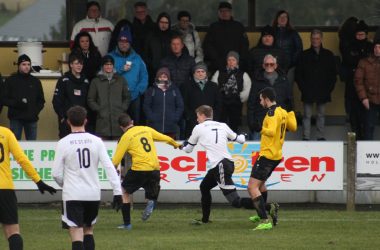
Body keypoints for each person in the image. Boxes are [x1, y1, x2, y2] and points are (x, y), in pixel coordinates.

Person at [52, 106, 122, 250]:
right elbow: (109, 167)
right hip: (92, 194)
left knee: (76, 232)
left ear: (68, 122)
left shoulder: (63, 143)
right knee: (88, 230)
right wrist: (117, 192)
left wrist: (66, 185)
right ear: (85, 121)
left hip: (73, 194)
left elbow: (56, 174)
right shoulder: (96, 141)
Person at [181, 105, 253, 225]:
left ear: (203, 115)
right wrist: (243, 135)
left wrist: (183, 145)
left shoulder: (198, 128)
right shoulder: (222, 125)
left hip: (220, 165)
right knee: (204, 187)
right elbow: (240, 140)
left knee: (235, 201)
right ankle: (205, 220)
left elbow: (188, 149)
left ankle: (267, 207)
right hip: (226, 163)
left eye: (197, 116)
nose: (197, 119)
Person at [112, 113, 180, 230]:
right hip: (155, 168)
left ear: (121, 127)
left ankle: (127, 224)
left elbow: (117, 159)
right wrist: (176, 145)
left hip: (140, 169)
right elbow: (165, 138)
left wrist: (113, 170)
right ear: (132, 121)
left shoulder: (126, 137)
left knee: (124, 192)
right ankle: (151, 201)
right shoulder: (146, 129)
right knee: (150, 191)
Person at [247, 87, 297, 231]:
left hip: (267, 155)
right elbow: (293, 127)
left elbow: (272, 131)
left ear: (267, 99)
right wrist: (291, 113)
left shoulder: (272, 113)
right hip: (276, 155)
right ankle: (265, 211)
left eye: (261, 99)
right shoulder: (282, 111)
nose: (260, 101)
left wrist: (259, 128)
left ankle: (264, 220)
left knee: (252, 187)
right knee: (261, 185)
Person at [0, 125, 56, 250]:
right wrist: (38, 180)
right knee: (13, 232)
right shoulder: (6, 133)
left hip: (5, 189)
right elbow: (21, 158)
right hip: (5, 189)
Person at [295, 30, 337, 141]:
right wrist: (303, 89)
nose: (315, 41)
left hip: (323, 91)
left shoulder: (328, 55)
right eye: (313, 38)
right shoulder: (303, 55)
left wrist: (328, 90)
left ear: (321, 39)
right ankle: (306, 137)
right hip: (307, 90)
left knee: (321, 115)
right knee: (307, 115)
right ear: (310, 39)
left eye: (317, 38)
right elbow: (298, 75)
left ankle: (320, 137)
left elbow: (333, 75)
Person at [340, 20, 372, 140]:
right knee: (353, 118)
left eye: (362, 35)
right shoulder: (349, 47)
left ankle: (367, 142)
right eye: (358, 35)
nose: (360, 37)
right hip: (352, 88)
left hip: (369, 90)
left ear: (366, 34)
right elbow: (347, 62)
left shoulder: (370, 47)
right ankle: (356, 140)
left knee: (367, 119)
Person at [247, 54, 291, 141]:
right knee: (257, 152)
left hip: (278, 122)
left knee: (276, 151)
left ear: (276, 66)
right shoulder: (257, 81)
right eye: (267, 64)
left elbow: (289, 101)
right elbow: (251, 103)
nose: (269, 66)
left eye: (271, 64)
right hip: (260, 124)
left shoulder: (284, 80)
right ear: (263, 65)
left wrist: (288, 122)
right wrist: (251, 123)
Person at [109, 27, 148, 125]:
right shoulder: (110, 57)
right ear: (117, 42)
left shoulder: (137, 58)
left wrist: (139, 91)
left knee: (134, 123)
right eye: (121, 41)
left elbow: (144, 76)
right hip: (116, 97)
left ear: (130, 43)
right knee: (117, 123)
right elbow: (103, 75)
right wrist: (120, 70)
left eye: (126, 42)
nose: (123, 44)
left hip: (134, 96)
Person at [87, 55, 131, 140]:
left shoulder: (121, 80)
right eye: (106, 64)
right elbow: (90, 99)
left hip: (119, 121)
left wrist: (122, 109)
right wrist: (99, 110)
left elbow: (127, 97)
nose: (109, 66)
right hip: (102, 122)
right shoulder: (96, 81)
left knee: (118, 148)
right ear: (102, 66)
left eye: (111, 64)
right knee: (102, 149)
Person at [2, 54, 45, 140]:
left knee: (32, 145)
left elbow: (41, 100)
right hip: (16, 118)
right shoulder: (10, 80)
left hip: (32, 119)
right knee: (15, 143)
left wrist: (35, 111)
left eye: (28, 64)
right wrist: (17, 104)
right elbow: (3, 99)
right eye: (24, 64)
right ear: (18, 66)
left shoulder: (36, 81)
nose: (26, 67)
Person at [53, 53, 92, 138]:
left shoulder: (86, 81)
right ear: (71, 65)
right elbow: (56, 101)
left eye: (81, 64)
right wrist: (63, 117)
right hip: (67, 121)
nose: (79, 66)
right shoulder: (63, 80)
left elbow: (89, 101)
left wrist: (86, 118)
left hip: (82, 121)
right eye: (76, 63)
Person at [203, 1, 249, 73]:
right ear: (218, 13)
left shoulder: (239, 26)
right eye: (222, 11)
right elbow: (207, 46)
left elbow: (244, 45)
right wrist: (217, 60)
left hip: (236, 64)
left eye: (226, 11)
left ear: (231, 12)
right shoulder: (213, 27)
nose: (224, 13)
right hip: (217, 64)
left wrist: (238, 61)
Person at [211, 51, 251, 132]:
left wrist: (239, 97)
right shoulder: (219, 73)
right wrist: (219, 98)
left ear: (237, 61)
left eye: (233, 60)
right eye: (229, 60)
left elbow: (247, 89)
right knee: (221, 127)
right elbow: (214, 87)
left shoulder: (243, 74)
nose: (231, 62)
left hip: (236, 106)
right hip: (221, 106)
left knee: (234, 127)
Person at [182, 62, 222, 138]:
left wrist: (214, 118)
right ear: (194, 73)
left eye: (203, 71)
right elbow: (184, 103)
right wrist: (189, 117)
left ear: (206, 73)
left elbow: (218, 104)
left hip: (211, 122)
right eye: (198, 71)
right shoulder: (186, 86)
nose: (200, 74)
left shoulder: (213, 86)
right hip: (193, 122)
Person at [272, 10, 303, 109]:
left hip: (290, 68)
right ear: (276, 19)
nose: (283, 19)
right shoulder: (272, 32)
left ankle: (289, 118)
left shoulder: (293, 33)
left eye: (285, 17)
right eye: (280, 17)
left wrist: (290, 63)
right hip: (273, 68)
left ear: (288, 20)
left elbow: (299, 49)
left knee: (288, 93)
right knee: (273, 92)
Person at [143, 67, 184, 139]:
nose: (162, 78)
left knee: (170, 148)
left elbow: (180, 106)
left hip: (171, 127)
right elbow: (146, 106)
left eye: (164, 77)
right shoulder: (151, 90)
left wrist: (175, 117)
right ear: (157, 78)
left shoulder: (174, 90)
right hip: (155, 127)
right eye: (160, 77)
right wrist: (151, 117)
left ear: (168, 78)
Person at [354, 39, 380, 140]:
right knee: (368, 127)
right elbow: (358, 81)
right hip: (370, 99)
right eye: (376, 47)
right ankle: (366, 153)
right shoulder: (364, 62)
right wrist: (364, 98)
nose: (377, 50)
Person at [144, 12, 174, 84]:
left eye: (166, 23)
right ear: (158, 22)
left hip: (170, 71)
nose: (164, 25)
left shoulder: (173, 36)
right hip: (153, 71)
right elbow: (145, 53)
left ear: (169, 24)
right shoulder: (151, 36)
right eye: (161, 22)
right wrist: (151, 64)